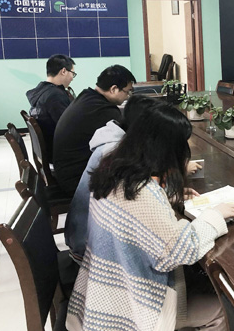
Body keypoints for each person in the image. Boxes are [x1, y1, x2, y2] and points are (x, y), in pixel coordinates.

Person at [66, 103, 234, 331]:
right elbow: (178, 251)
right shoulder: (141, 190)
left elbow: (135, 216)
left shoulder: (113, 169)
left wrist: (165, 198)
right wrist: (215, 216)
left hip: (104, 293)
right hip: (130, 310)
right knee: (222, 308)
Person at [64, 95, 163, 263]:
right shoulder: (115, 153)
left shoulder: (113, 140)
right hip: (91, 250)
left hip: (83, 235)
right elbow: (136, 200)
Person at [53, 64, 136, 198]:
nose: (127, 97)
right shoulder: (104, 111)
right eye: (127, 91)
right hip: (76, 181)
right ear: (114, 89)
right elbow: (126, 145)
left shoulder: (87, 97)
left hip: (65, 172)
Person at [26, 54, 76, 162]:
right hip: (60, 154)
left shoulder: (41, 91)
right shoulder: (56, 96)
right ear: (63, 71)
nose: (72, 78)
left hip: (49, 150)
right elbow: (70, 128)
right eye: (73, 73)